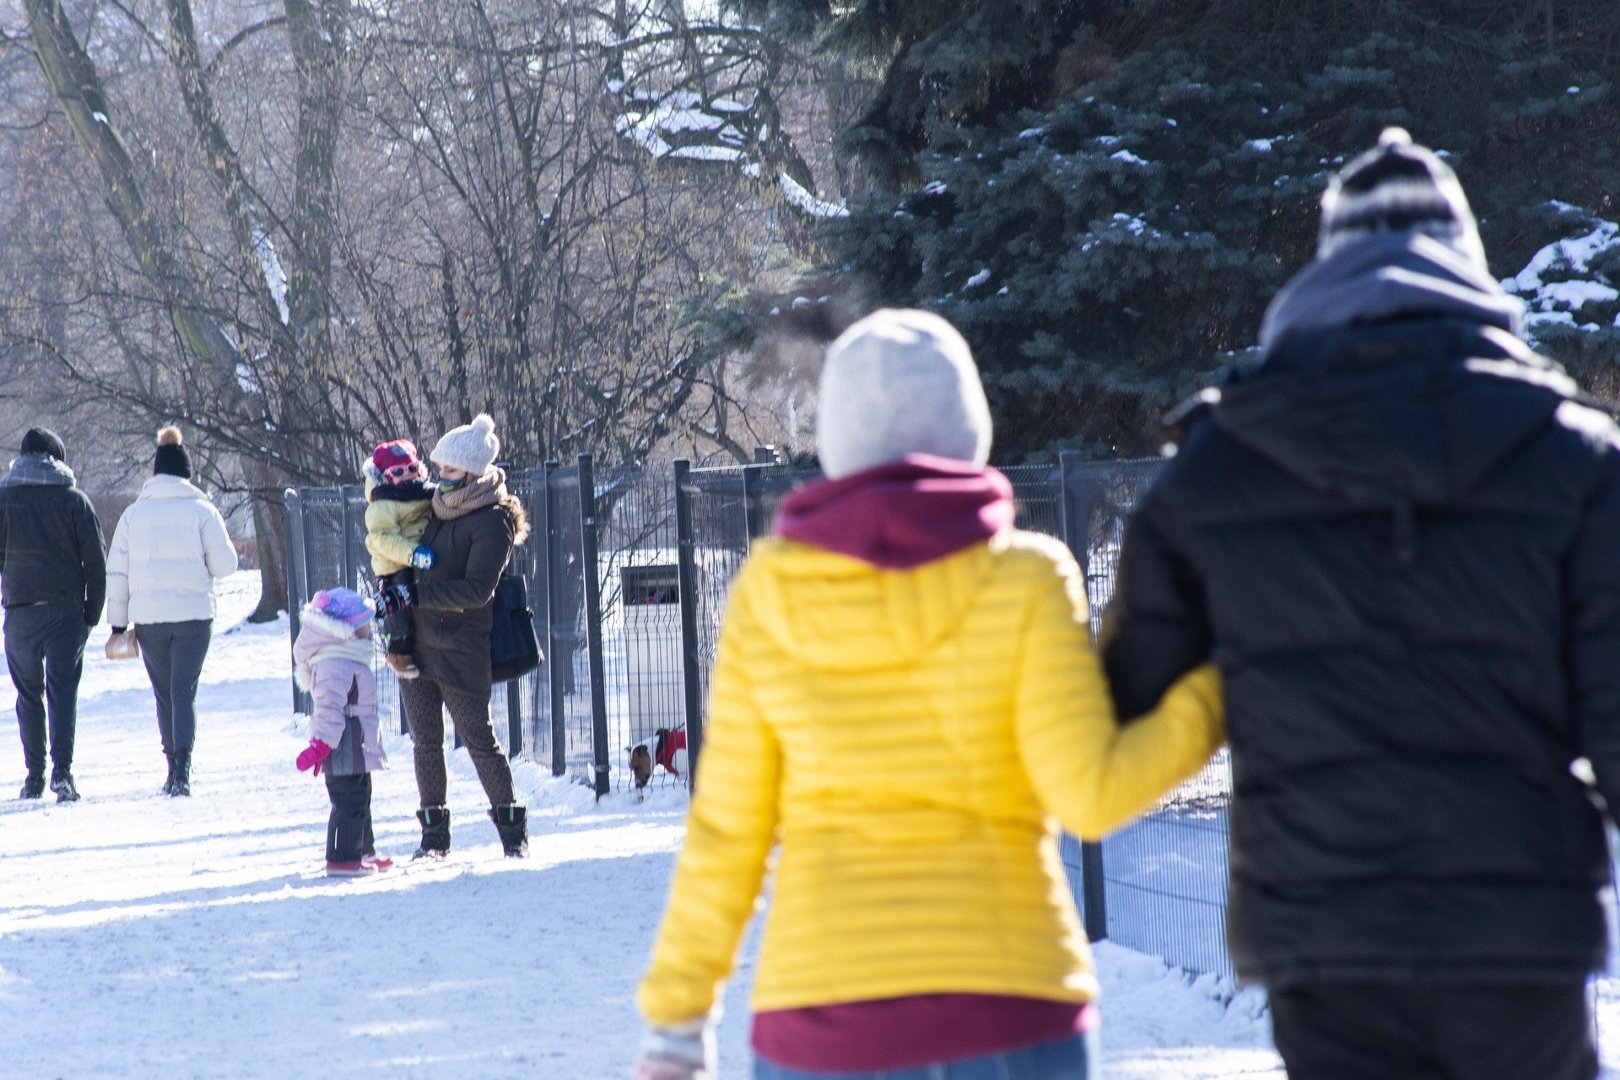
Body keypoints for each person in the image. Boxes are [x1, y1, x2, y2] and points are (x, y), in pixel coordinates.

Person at [1099, 128, 1619, 1080]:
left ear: (1328, 267)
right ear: (1467, 263)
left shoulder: (1216, 471)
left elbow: (1127, 698)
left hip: (1320, 932)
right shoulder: (1574, 459)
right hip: (1517, 932)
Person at [632, 309, 1224, 1080]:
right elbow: (1091, 792)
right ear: (968, 429)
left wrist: (677, 1021)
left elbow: (727, 834)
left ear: (837, 440)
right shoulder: (1028, 577)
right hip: (1012, 1010)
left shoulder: (769, 595)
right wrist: (1217, 696)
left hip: (821, 1024)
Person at [374, 413, 532, 858]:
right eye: (439, 467)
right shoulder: (440, 508)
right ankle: (433, 837)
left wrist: (416, 593)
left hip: (462, 646)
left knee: (479, 741)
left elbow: (478, 590)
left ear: (474, 470)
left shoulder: (492, 520)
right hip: (419, 643)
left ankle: (512, 830)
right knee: (425, 742)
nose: (440, 476)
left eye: (449, 469)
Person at [106, 425, 239, 797]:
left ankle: (171, 767)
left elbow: (117, 571)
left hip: (149, 620)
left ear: (155, 472)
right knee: (185, 690)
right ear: (186, 473)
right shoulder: (203, 511)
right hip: (195, 617)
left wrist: (118, 625)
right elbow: (226, 565)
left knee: (164, 693)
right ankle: (184, 766)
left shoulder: (133, 516)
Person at [0, 427, 106, 802]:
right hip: (65, 612)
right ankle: (62, 773)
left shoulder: (4, 499)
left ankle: (34, 776)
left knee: (28, 695)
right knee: (62, 692)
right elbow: (95, 562)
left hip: (20, 611)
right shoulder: (74, 501)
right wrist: (91, 614)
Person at [292, 587, 393, 877]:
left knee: (361, 798)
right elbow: (328, 707)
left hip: (355, 744)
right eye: (363, 625)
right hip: (343, 744)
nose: (368, 630)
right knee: (349, 802)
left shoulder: (347, 657)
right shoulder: (335, 662)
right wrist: (320, 744)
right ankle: (342, 859)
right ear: (344, 629)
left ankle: (363, 850)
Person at [362, 439, 435, 679]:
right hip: (395, 563)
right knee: (399, 602)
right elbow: (383, 538)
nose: (406, 476)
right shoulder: (383, 504)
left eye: (411, 469)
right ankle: (399, 651)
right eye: (397, 472)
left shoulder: (426, 493)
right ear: (384, 476)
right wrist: (411, 553)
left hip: (424, 557)